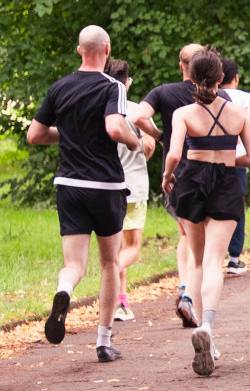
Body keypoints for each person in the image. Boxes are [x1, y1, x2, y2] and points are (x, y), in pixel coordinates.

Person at [28, 26, 141, 361]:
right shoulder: (113, 86)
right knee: (110, 263)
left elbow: (35, 135)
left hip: (69, 186)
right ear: (106, 49)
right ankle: (103, 342)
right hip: (106, 186)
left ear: (80, 50)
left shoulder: (59, 87)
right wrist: (135, 141)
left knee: (74, 264)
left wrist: (69, 135)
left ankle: (64, 291)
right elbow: (113, 127)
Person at [161, 49, 250, 376]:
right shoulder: (238, 113)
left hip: (191, 183)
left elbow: (175, 154)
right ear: (221, 78)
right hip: (225, 184)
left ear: (190, 76)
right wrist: (229, 159)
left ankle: (205, 331)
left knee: (199, 260)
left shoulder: (183, 113)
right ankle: (207, 328)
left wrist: (167, 176)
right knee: (216, 260)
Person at [131, 42, 203, 326]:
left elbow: (139, 116)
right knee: (201, 238)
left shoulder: (163, 92)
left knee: (186, 233)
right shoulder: (212, 94)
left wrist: (160, 135)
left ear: (180, 65)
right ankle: (191, 295)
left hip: (175, 170)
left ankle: (186, 289)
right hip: (207, 168)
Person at [105, 60, 157, 323]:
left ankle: (120, 303)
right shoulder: (136, 110)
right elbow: (149, 145)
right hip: (134, 185)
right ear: (127, 83)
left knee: (115, 246)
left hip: (107, 184)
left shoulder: (101, 109)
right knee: (132, 247)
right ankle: (110, 275)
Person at [219, 59, 250, 276]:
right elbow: (249, 123)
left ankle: (213, 255)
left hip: (212, 158)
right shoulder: (245, 98)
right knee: (236, 206)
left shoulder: (208, 95)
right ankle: (234, 258)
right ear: (237, 77)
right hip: (238, 158)